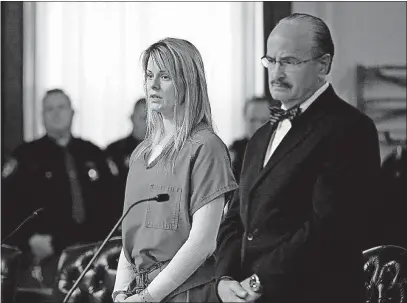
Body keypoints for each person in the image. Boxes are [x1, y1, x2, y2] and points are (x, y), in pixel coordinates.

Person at [215, 13, 381, 303]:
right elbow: (235, 218)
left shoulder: (350, 128)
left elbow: (329, 227)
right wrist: (225, 278)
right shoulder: (259, 137)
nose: (276, 73)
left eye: (289, 62)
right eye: (271, 61)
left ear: (323, 65)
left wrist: (259, 281)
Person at [112, 38, 238, 302]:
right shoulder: (140, 153)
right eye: (149, 76)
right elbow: (128, 239)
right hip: (141, 292)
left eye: (165, 76)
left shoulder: (206, 147)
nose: (153, 85)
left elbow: (203, 243)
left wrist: (149, 296)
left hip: (187, 291)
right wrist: (120, 291)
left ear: (187, 83)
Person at [1, 89, 115, 287]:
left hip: (94, 254)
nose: (56, 113)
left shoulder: (93, 152)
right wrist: (27, 240)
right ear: (42, 116)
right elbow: (6, 207)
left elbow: (113, 201)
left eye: (61, 107)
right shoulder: (25, 156)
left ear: (72, 112)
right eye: (49, 109)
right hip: (46, 257)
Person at [105, 98, 147, 218]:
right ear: (132, 118)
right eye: (143, 118)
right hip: (120, 216)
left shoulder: (166, 152)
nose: (148, 123)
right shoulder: (113, 151)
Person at [229, 97, 270, 183]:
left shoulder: (280, 150)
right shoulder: (234, 152)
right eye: (253, 120)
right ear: (245, 120)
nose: (257, 126)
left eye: (264, 120)